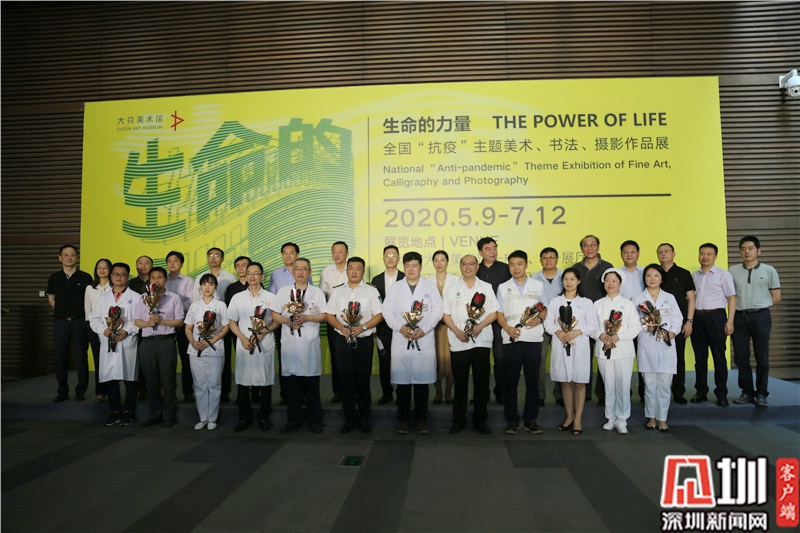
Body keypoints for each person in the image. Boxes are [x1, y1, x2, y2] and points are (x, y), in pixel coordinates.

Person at [383, 251, 443, 435]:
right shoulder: (395, 288)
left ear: (421, 267)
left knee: (422, 384)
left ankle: (421, 420)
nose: (411, 269)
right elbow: (387, 312)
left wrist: (423, 329)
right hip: (402, 339)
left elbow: (437, 312)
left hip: (423, 339)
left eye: (414, 265)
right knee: (402, 385)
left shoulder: (430, 287)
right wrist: (401, 328)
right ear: (404, 267)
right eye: (407, 266)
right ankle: (402, 420)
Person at [443, 254, 499, 435]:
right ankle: (458, 420)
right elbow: (445, 314)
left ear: (477, 267)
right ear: (460, 267)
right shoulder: (452, 289)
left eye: (471, 264)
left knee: (481, 383)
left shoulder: (486, 287)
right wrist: (457, 331)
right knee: (460, 383)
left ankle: (480, 421)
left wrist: (480, 327)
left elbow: (493, 313)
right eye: (464, 264)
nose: (468, 267)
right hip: (459, 341)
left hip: (481, 341)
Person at [326, 257, 383, 434]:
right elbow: (329, 314)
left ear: (363, 271)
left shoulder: (371, 291)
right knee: (346, 380)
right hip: (342, 340)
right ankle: (349, 418)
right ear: (347, 271)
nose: (354, 271)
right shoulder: (337, 291)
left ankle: (364, 419)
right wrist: (341, 328)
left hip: (364, 340)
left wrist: (363, 327)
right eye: (351, 268)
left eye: (358, 268)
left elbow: (379, 314)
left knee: (363, 380)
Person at [272, 258, 328, 434]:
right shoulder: (283, 291)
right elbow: (275, 315)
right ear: (292, 272)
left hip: (309, 344)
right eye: (297, 269)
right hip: (290, 343)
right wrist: (288, 321)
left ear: (310, 272)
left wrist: (307, 318)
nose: (301, 272)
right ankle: (293, 420)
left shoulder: (317, 292)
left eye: (304, 269)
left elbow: (324, 315)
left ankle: (315, 421)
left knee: (312, 386)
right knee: (292, 386)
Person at [496, 250, 546, 435]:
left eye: (519, 264)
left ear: (526, 264)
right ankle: (512, 420)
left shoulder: (538, 285)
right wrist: (507, 328)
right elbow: (499, 313)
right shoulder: (503, 287)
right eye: (512, 264)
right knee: (511, 382)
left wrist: (539, 319)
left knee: (532, 381)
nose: (515, 268)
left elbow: (544, 309)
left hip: (533, 339)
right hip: (512, 340)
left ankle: (531, 419)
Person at [544, 268, 598, 436]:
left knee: (579, 382)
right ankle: (569, 417)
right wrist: (558, 332)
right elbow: (548, 323)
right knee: (565, 382)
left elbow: (593, 325)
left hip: (579, 344)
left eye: (572, 279)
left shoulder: (587, 303)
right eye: (566, 279)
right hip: (561, 343)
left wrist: (578, 331)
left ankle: (578, 419)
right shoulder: (555, 302)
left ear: (578, 281)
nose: (569, 282)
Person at [730, 236, 782, 407]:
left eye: (751, 248)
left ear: (758, 251)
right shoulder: (732, 271)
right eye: (743, 249)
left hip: (761, 317)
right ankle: (746, 392)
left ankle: (761, 393)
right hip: (739, 317)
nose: (747, 252)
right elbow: (730, 296)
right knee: (741, 356)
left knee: (762, 357)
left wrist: (760, 305)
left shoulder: (769, 270)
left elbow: (777, 296)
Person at [227, 262, 279, 432]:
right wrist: (242, 338)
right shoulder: (237, 297)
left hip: (265, 343)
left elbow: (277, 321)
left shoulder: (272, 297)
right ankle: (244, 417)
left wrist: (264, 331)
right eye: (249, 273)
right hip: (245, 344)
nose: (252, 276)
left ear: (262, 276)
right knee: (243, 382)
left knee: (265, 381)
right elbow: (232, 322)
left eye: (256, 273)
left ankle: (264, 417)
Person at [133, 266, 185, 428]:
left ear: (165, 280)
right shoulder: (143, 298)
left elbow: (180, 321)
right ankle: (154, 415)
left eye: (160, 277)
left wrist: (162, 321)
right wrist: (147, 323)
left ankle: (169, 416)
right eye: (153, 277)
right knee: (151, 381)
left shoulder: (174, 298)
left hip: (166, 342)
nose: (156, 280)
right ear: (149, 280)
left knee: (168, 381)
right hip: (147, 343)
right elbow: (136, 320)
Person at [90, 262, 141, 426]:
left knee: (130, 378)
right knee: (111, 377)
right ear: (111, 276)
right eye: (116, 274)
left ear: (128, 277)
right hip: (108, 341)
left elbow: (139, 321)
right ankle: (114, 411)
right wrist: (103, 330)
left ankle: (128, 411)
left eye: (123, 274)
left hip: (127, 342)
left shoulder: (136, 297)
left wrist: (126, 331)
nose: (119, 277)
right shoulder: (103, 298)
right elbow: (95, 319)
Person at [633, 264, 683, 432]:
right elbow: (633, 321)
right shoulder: (638, 298)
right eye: (648, 275)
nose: (652, 279)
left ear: (662, 278)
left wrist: (672, 332)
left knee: (664, 384)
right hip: (647, 343)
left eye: (656, 275)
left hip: (666, 344)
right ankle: (651, 418)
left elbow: (677, 318)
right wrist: (645, 328)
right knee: (649, 384)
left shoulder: (669, 297)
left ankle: (662, 419)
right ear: (644, 278)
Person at [592, 269, 639, 435]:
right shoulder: (597, 304)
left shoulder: (628, 304)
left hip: (623, 351)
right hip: (603, 350)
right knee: (608, 386)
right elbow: (591, 326)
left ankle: (622, 419)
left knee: (623, 386)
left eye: (614, 280)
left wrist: (619, 336)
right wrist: (600, 334)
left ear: (620, 283)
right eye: (607, 280)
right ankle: (610, 418)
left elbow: (636, 327)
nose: (610, 283)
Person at [46, 244, 94, 403]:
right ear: (60, 258)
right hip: (60, 323)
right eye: (66, 255)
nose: (69, 258)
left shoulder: (85, 277)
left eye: (72, 255)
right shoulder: (54, 278)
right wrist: (61, 311)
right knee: (60, 357)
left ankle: (81, 391)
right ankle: (62, 391)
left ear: (76, 257)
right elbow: (51, 298)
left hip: (79, 322)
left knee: (81, 357)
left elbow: (91, 300)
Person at [691, 243, 736, 406]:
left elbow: (731, 298)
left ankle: (721, 394)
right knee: (700, 358)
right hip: (698, 318)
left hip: (716, 318)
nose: (705, 257)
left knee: (719, 357)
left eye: (709, 254)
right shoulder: (694, 275)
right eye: (702, 253)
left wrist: (730, 321)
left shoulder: (723, 275)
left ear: (715, 256)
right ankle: (701, 391)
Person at [571, 235, 614, 404]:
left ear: (598, 247)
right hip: (582, 320)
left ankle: (602, 394)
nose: (589, 248)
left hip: (603, 318)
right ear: (581, 248)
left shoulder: (607, 267)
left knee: (603, 356)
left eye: (592, 245)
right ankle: (585, 392)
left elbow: (612, 289)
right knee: (583, 357)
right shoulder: (576, 268)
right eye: (585, 245)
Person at [185, 273, 230, 431]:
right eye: (204, 284)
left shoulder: (221, 305)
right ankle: (202, 418)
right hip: (196, 349)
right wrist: (193, 342)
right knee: (199, 385)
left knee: (214, 385)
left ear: (215, 287)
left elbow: (226, 327)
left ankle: (212, 418)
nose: (207, 287)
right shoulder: (194, 306)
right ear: (200, 287)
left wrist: (212, 340)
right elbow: (188, 327)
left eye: (211, 284)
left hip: (214, 349)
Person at [656, 243, 696, 404]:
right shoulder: (654, 273)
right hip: (657, 325)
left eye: (666, 251)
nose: (663, 254)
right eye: (660, 252)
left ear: (674, 254)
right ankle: (657, 391)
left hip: (678, 324)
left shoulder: (684, 274)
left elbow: (691, 299)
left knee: (678, 357)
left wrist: (689, 321)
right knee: (658, 358)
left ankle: (678, 392)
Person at [476, 237, 511, 405]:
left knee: (500, 358)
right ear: (480, 252)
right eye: (488, 249)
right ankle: (482, 394)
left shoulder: (506, 269)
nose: (492, 252)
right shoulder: (475, 269)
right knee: (481, 360)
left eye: (494, 248)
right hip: (480, 321)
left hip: (500, 320)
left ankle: (501, 392)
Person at [371, 244, 405, 405]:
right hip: (383, 327)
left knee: (401, 361)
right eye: (387, 255)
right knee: (384, 361)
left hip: (403, 327)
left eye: (393, 255)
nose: (390, 258)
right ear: (383, 258)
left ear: (398, 258)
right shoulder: (376, 280)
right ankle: (386, 392)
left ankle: (401, 393)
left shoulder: (405, 277)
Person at [269, 243, 301, 406]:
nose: (288, 255)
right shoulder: (276, 274)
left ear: (297, 254)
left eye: (291, 252)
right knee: (284, 357)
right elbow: (272, 297)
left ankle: (301, 393)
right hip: (281, 322)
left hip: (300, 322)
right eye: (285, 253)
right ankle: (285, 394)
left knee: (301, 357)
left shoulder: (302, 271)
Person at [531, 247, 563, 406]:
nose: (548, 260)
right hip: (541, 326)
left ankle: (561, 395)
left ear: (557, 259)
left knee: (560, 361)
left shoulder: (566, 276)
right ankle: (539, 395)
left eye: (552, 257)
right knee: (539, 362)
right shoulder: (533, 279)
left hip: (561, 327)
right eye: (545, 257)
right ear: (540, 260)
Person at [166, 251, 197, 405]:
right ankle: (168, 392)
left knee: (186, 359)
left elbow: (190, 302)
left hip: (183, 323)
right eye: (169, 261)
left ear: (181, 263)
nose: (172, 263)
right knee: (167, 360)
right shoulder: (161, 279)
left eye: (176, 261)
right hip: (165, 324)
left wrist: (173, 308)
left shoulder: (188, 281)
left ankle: (188, 392)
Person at [320, 241, 349, 404]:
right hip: (333, 319)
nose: (337, 254)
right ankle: (338, 391)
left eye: (340, 251)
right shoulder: (326, 271)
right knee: (336, 356)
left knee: (351, 356)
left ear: (347, 254)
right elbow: (323, 295)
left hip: (352, 319)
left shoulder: (352, 269)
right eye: (334, 252)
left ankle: (352, 391)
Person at [426, 250, 457, 404]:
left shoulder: (456, 280)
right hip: (433, 327)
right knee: (435, 360)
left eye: (442, 260)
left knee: (450, 361)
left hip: (450, 326)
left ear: (447, 262)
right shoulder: (426, 281)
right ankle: (438, 393)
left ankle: (448, 393)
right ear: (433, 262)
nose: (439, 263)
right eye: (436, 260)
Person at [223, 255, 251, 404]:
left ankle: (256, 393)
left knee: (255, 362)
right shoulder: (231, 288)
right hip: (236, 331)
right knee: (241, 363)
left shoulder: (256, 285)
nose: (240, 268)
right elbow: (230, 311)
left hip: (254, 331)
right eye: (238, 266)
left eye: (244, 265)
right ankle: (242, 396)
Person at [84, 258, 112, 403]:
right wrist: (97, 325)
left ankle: (112, 391)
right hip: (94, 329)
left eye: (105, 267)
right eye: (99, 267)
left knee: (112, 360)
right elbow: (88, 310)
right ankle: (100, 391)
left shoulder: (114, 287)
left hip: (112, 328)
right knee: (98, 360)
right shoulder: (90, 288)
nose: (102, 270)